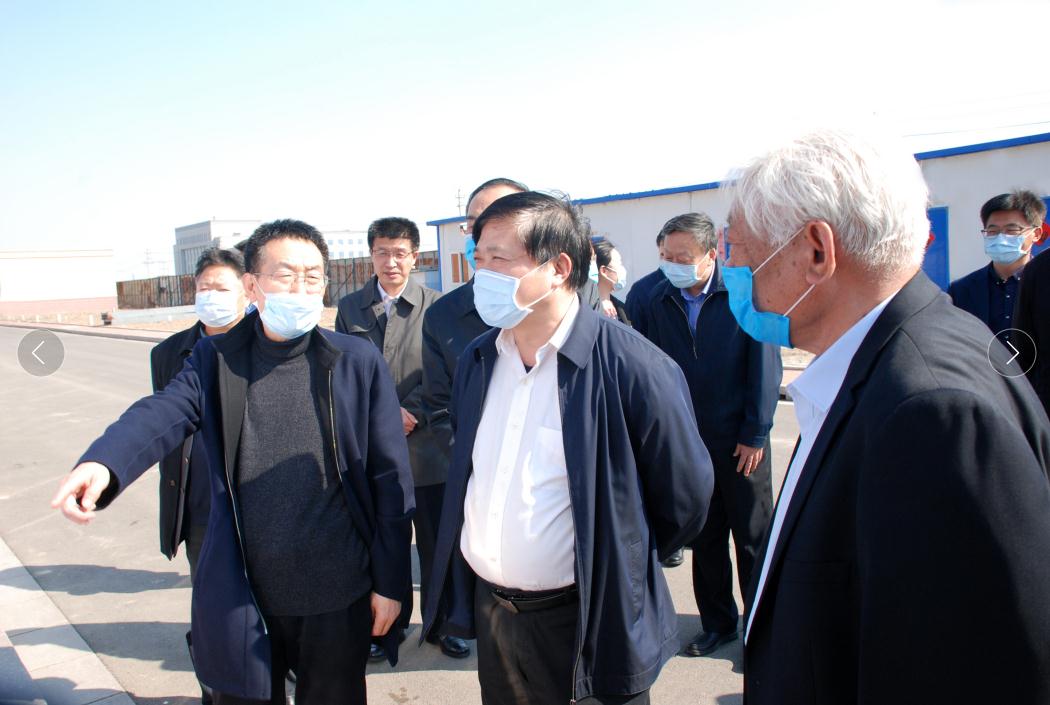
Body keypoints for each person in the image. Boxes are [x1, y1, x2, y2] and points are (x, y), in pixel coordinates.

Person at [722, 130, 1050, 704]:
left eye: (739, 248)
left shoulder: (932, 414)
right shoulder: (883, 365)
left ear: (816, 251)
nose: (731, 268)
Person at [51, 219, 414, 705]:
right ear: (252, 285)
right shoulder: (216, 358)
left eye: (313, 277)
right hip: (244, 590)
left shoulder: (355, 360)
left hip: (336, 590)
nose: (301, 288)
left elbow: (390, 478)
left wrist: (390, 583)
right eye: (285, 275)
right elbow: (164, 411)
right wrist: (104, 462)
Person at [422, 191, 714, 704]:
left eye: (499, 259)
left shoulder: (634, 366)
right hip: (495, 617)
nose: (482, 275)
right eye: (478, 259)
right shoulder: (479, 360)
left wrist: (617, 554)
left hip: (588, 621)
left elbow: (684, 499)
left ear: (558, 268)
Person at [644, 212, 780, 658]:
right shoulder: (657, 299)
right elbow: (651, 371)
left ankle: (763, 627)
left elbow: (765, 367)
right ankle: (717, 623)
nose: (672, 265)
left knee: (752, 538)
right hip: (690, 444)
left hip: (740, 443)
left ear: (711, 255)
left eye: (683, 257)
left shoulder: (745, 294)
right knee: (705, 538)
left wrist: (755, 433)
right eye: (666, 256)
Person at [333, 217, 466, 660]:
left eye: (400, 253)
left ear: (414, 257)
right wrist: (385, 415)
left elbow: (447, 374)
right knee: (383, 546)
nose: (390, 262)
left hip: (429, 448)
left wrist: (416, 412)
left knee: (437, 545)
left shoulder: (437, 307)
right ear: (371, 255)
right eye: (382, 252)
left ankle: (444, 624)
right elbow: (342, 372)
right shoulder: (350, 308)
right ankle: (384, 629)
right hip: (374, 452)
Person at [151, 247, 248, 704]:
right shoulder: (169, 353)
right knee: (211, 604)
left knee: (262, 600)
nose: (212, 296)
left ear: (247, 291)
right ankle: (216, 687)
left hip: (256, 497)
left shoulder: (263, 346)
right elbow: (164, 422)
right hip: (201, 506)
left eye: (222, 288)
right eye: (204, 287)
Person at [948, 190, 1046, 344]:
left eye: (1012, 230)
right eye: (992, 231)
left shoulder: (1045, 283)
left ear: (1036, 233)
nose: (1001, 238)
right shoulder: (961, 290)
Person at [623, 230, 668, 336]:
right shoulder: (642, 290)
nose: (668, 259)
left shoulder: (700, 288)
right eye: (663, 254)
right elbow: (634, 336)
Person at [590, 236, 631, 324]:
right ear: (604, 271)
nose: (622, 269)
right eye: (619, 263)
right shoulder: (584, 309)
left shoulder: (622, 310)